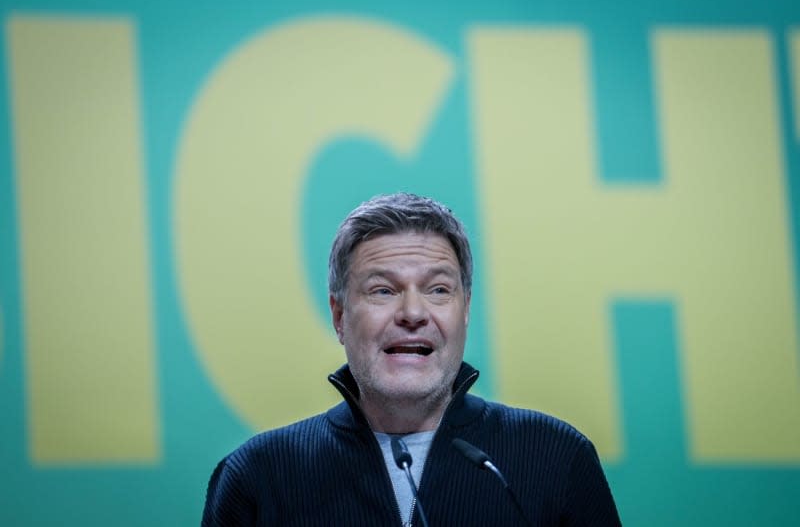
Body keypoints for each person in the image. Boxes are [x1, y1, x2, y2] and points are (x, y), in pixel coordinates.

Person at [202, 192, 622, 526]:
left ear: (466, 310)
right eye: (383, 290)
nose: (413, 313)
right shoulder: (258, 477)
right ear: (339, 316)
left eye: (438, 290)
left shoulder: (556, 458)